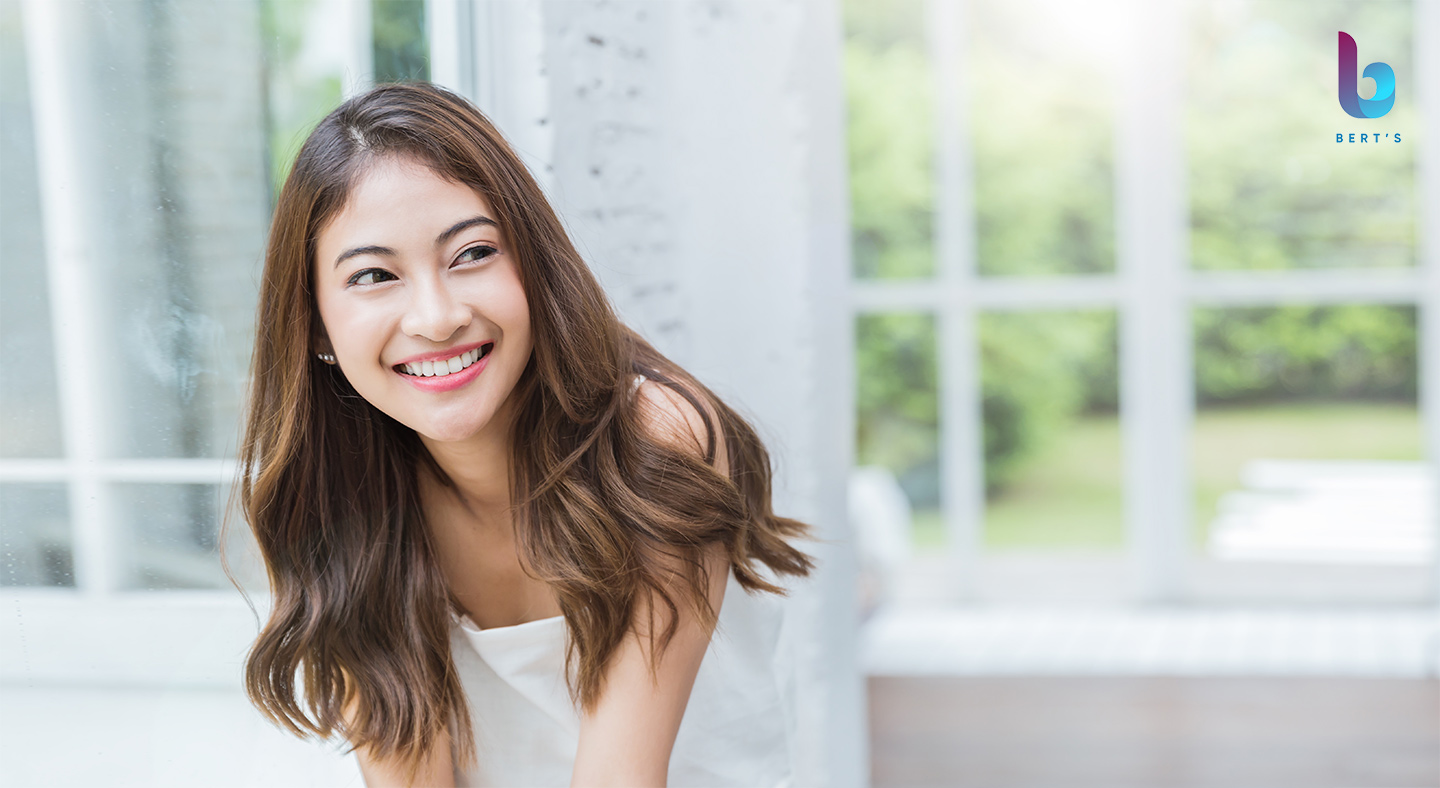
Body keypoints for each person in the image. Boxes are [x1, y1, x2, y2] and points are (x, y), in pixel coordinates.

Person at [235, 81, 815, 787]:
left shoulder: (649, 444)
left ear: (533, 265)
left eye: (472, 254)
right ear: (318, 326)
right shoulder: (335, 500)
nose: (436, 316)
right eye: (375, 275)